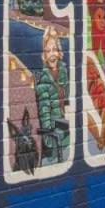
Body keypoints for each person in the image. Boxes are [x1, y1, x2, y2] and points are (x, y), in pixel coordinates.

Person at [33, 27, 70, 164]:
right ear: (44, 55)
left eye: (54, 49)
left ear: (59, 52)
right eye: (48, 51)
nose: (52, 54)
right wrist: (51, 137)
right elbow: (45, 118)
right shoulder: (43, 82)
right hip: (55, 134)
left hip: (65, 124)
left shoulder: (64, 73)